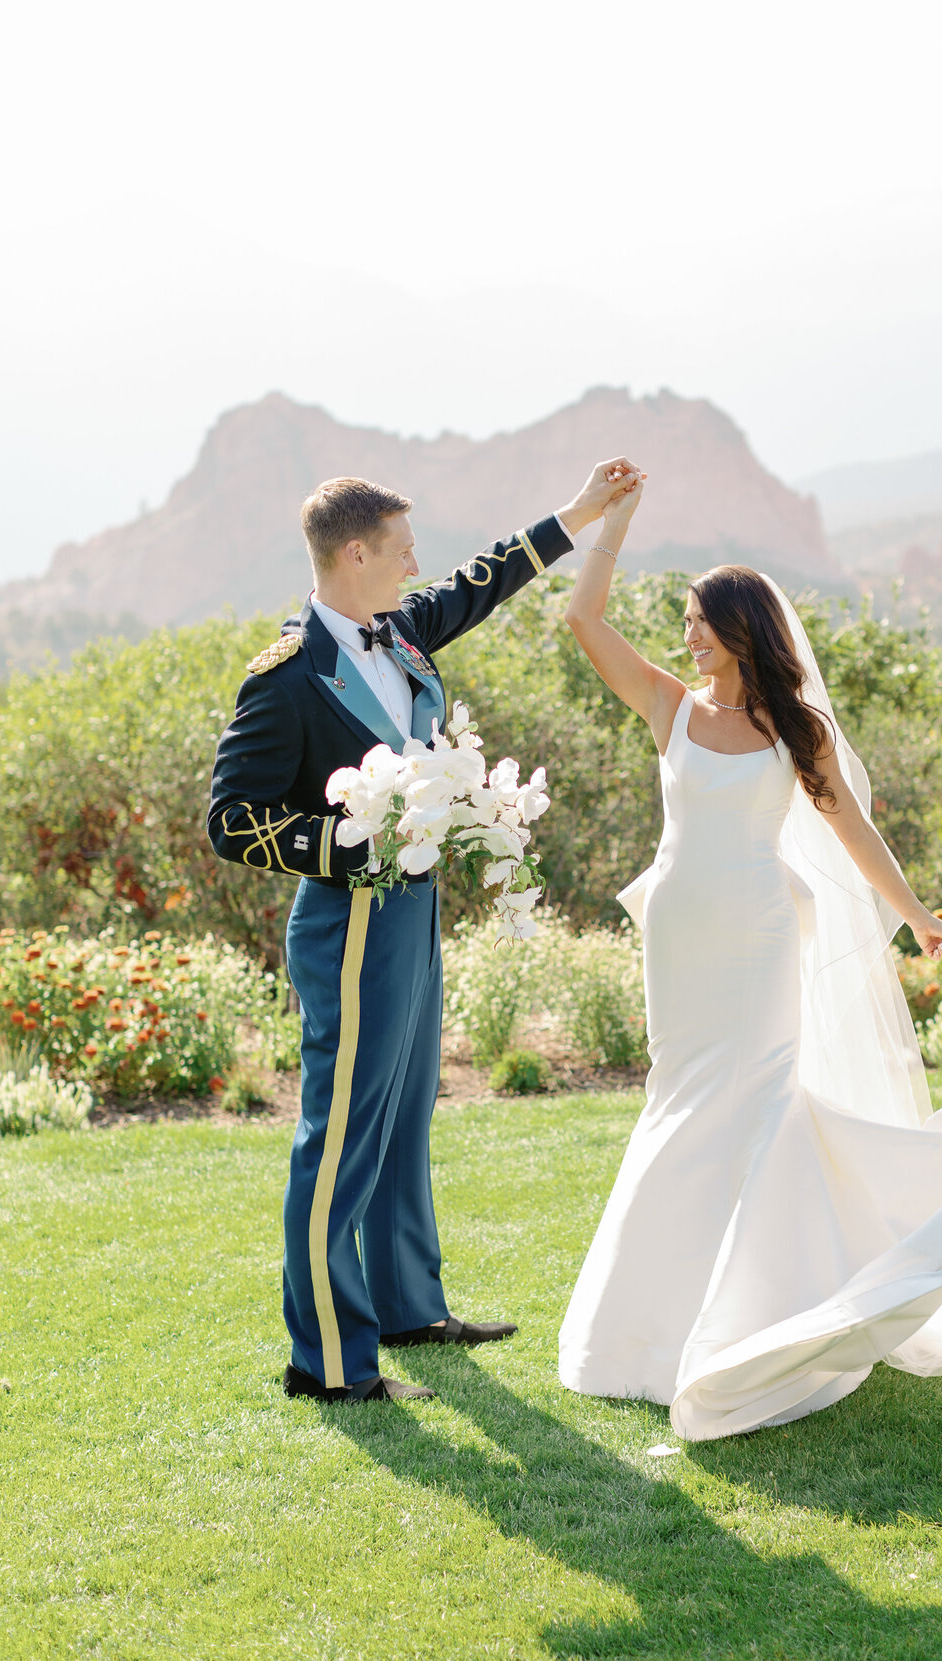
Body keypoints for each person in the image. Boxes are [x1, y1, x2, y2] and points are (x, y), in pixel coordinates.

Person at [557, 474, 942, 1441]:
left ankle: (759, 1315)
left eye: (700, 624)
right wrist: (615, 522)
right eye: (683, 622)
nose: (687, 638)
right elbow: (582, 619)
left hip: (761, 938)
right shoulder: (670, 709)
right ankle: (642, 1335)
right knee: (679, 1101)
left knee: (757, 1106)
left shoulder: (797, 731)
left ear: (742, 629)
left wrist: (919, 915)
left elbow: (854, 838)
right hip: (679, 935)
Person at [209, 459, 641, 1404]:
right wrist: (357, 844)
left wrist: (578, 512)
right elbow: (230, 818)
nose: (416, 562)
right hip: (351, 920)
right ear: (355, 553)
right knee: (341, 1137)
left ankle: (408, 1308)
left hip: (416, 912)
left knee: (404, 1118)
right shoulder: (286, 680)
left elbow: (483, 581)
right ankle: (325, 1361)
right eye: (401, 548)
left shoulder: (397, 630)